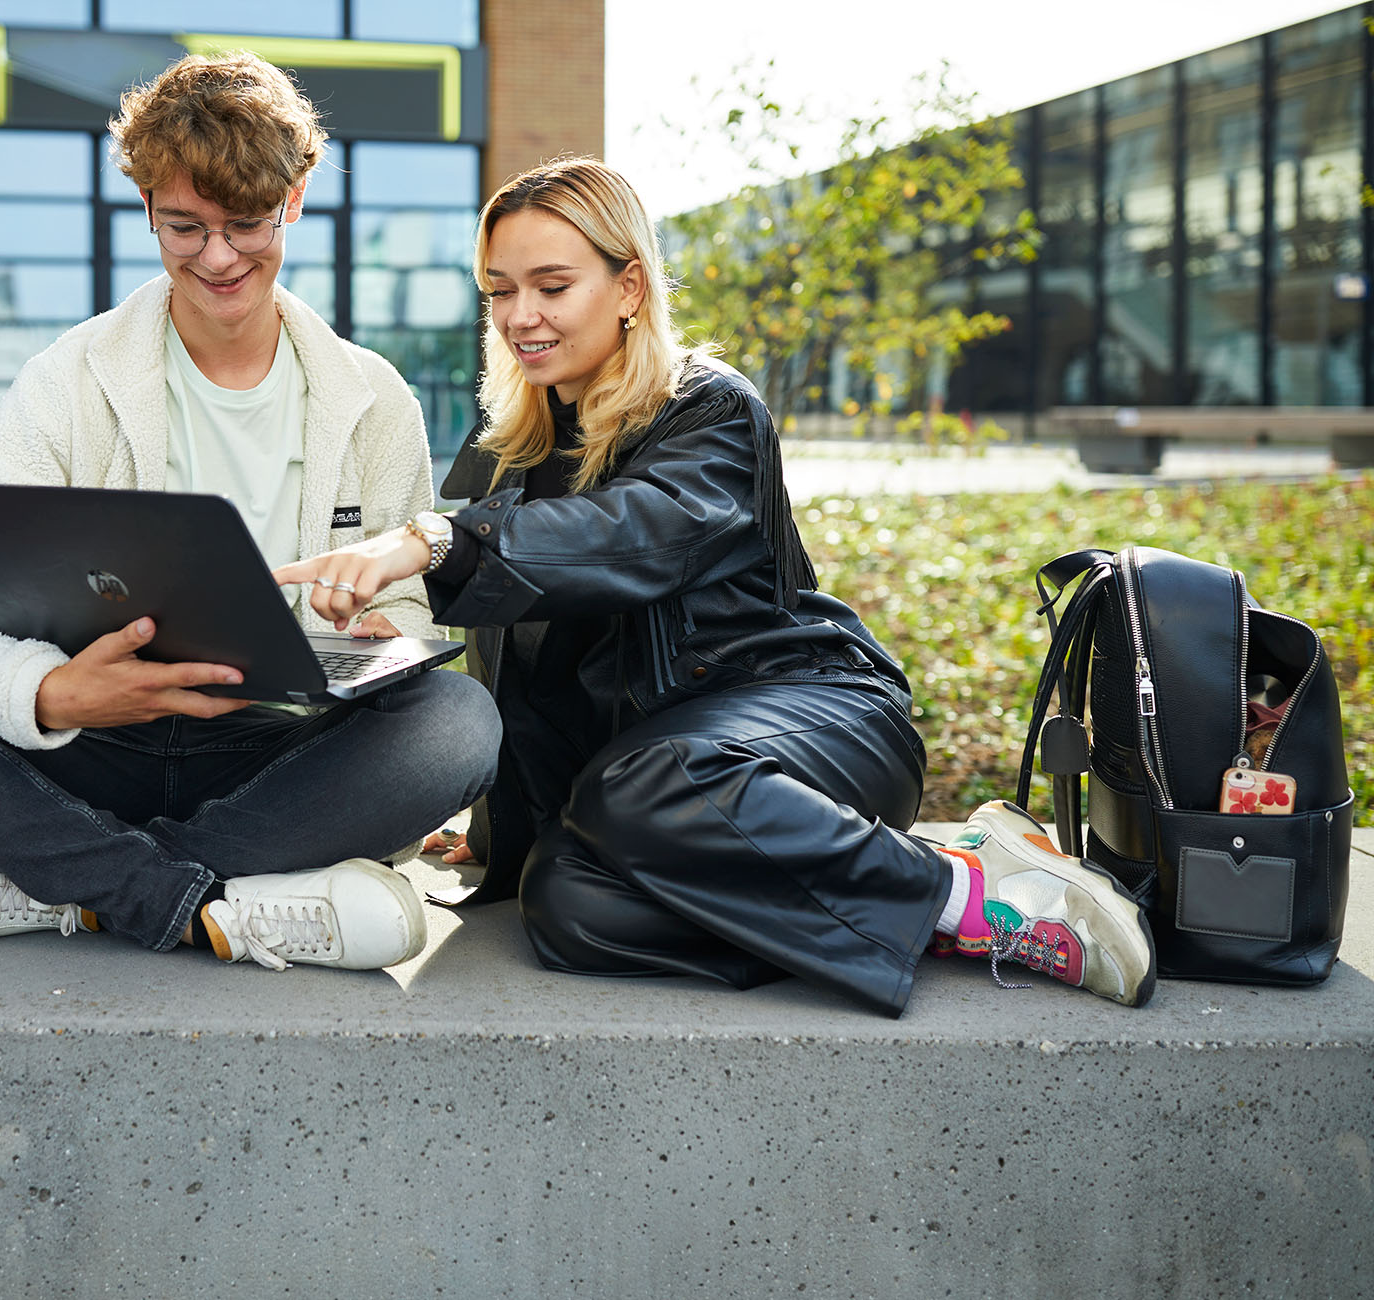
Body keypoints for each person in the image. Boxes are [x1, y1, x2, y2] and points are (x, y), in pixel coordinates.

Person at [275, 157, 1156, 1015]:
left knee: (638, 788)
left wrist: (434, 539)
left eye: (552, 285)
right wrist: (501, 825)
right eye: (500, 291)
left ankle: (979, 891)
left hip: (808, 724)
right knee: (567, 904)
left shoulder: (708, 409)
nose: (520, 316)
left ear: (629, 288)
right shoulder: (514, 450)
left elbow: (630, 540)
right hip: (664, 792)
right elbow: (531, 681)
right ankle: (937, 918)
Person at [0, 53, 500, 974]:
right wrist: (51, 693)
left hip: (271, 749)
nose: (217, 257)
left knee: (458, 720)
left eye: (246, 223)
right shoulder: (71, 379)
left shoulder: (372, 399)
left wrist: (368, 633)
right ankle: (207, 897)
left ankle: (58, 883)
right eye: (184, 226)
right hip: (87, 742)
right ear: (146, 205)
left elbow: (405, 618)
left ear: (297, 194)